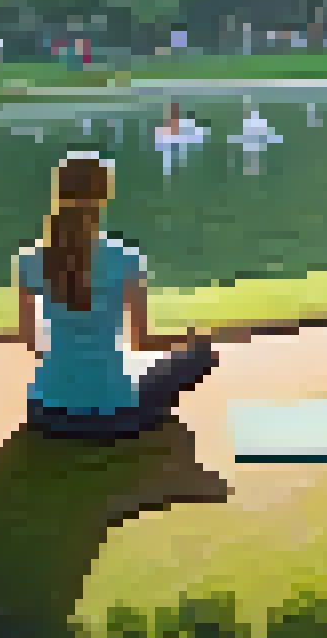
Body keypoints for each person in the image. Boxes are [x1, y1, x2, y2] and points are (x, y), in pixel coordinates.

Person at [15, 152, 218, 439]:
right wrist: (192, 337)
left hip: (46, 413)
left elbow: (32, 343)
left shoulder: (30, 260)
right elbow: (142, 340)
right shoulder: (125, 258)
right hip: (114, 416)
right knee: (201, 354)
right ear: (103, 196)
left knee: (130, 366)